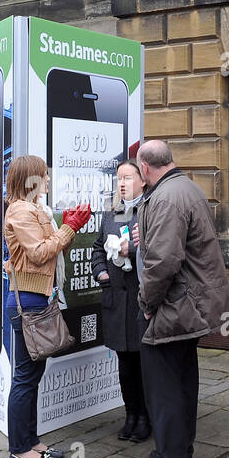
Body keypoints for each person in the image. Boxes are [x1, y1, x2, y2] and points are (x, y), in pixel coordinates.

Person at [131, 140, 229, 458]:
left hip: (174, 307)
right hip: (189, 305)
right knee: (182, 383)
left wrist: (146, 303)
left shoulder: (165, 197)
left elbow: (163, 263)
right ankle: (177, 454)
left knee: (165, 389)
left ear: (144, 169)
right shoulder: (185, 187)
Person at [2, 154, 90, 458]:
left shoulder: (33, 208)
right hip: (27, 302)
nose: (48, 180)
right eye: (44, 175)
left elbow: (47, 245)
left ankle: (31, 441)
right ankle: (20, 449)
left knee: (32, 375)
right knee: (25, 378)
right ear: (32, 180)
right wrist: (70, 228)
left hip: (34, 297)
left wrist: (68, 228)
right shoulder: (22, 210)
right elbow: (40, 253)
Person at [92, 160, 150, 443]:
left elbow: (158, 246)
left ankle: (146, 418)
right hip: (116, 299)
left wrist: (134, 248)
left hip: (140, 301)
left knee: (143, 362)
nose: (122, 183)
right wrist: (101, 272)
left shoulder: (150, 210)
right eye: (118, 179)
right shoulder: (111, 215)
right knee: (125, 363)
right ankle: (131, 415)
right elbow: (97, 249)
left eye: (127, 178)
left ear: (142, 180)